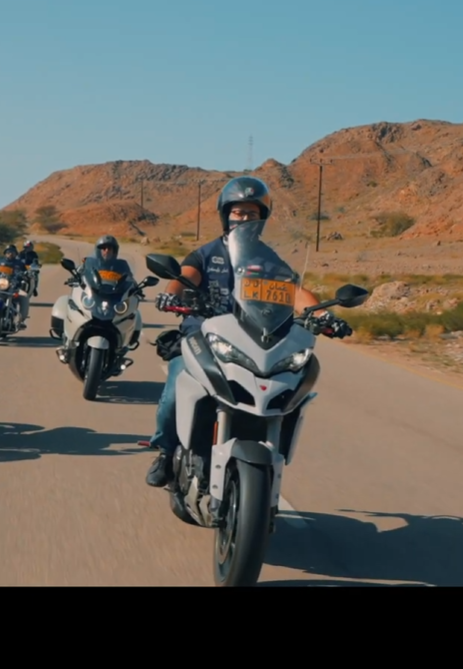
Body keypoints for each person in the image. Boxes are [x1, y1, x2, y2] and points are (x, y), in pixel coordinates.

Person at [144, 177, 348, 487]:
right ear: (225, 215)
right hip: (205, 337)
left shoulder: (270, 261)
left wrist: (323, 315)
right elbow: (184, 278)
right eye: (237, 212)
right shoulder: (206, 254)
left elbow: (295, 292)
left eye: (251, 214)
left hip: (252, 340)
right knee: (176, 387)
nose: (243, 219)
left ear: (262, 219)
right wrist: (172, 295)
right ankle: (165, 450)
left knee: (287, 385)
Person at [0, 244, 31, 330]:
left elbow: (25, 273)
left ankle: (21, 320)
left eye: (12, 252)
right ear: (5, 253)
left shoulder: (20, 264)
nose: (10, 254)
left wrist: (26, 275)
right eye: (8, 252)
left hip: (14, 287)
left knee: (25, 296)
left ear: (16, 253)